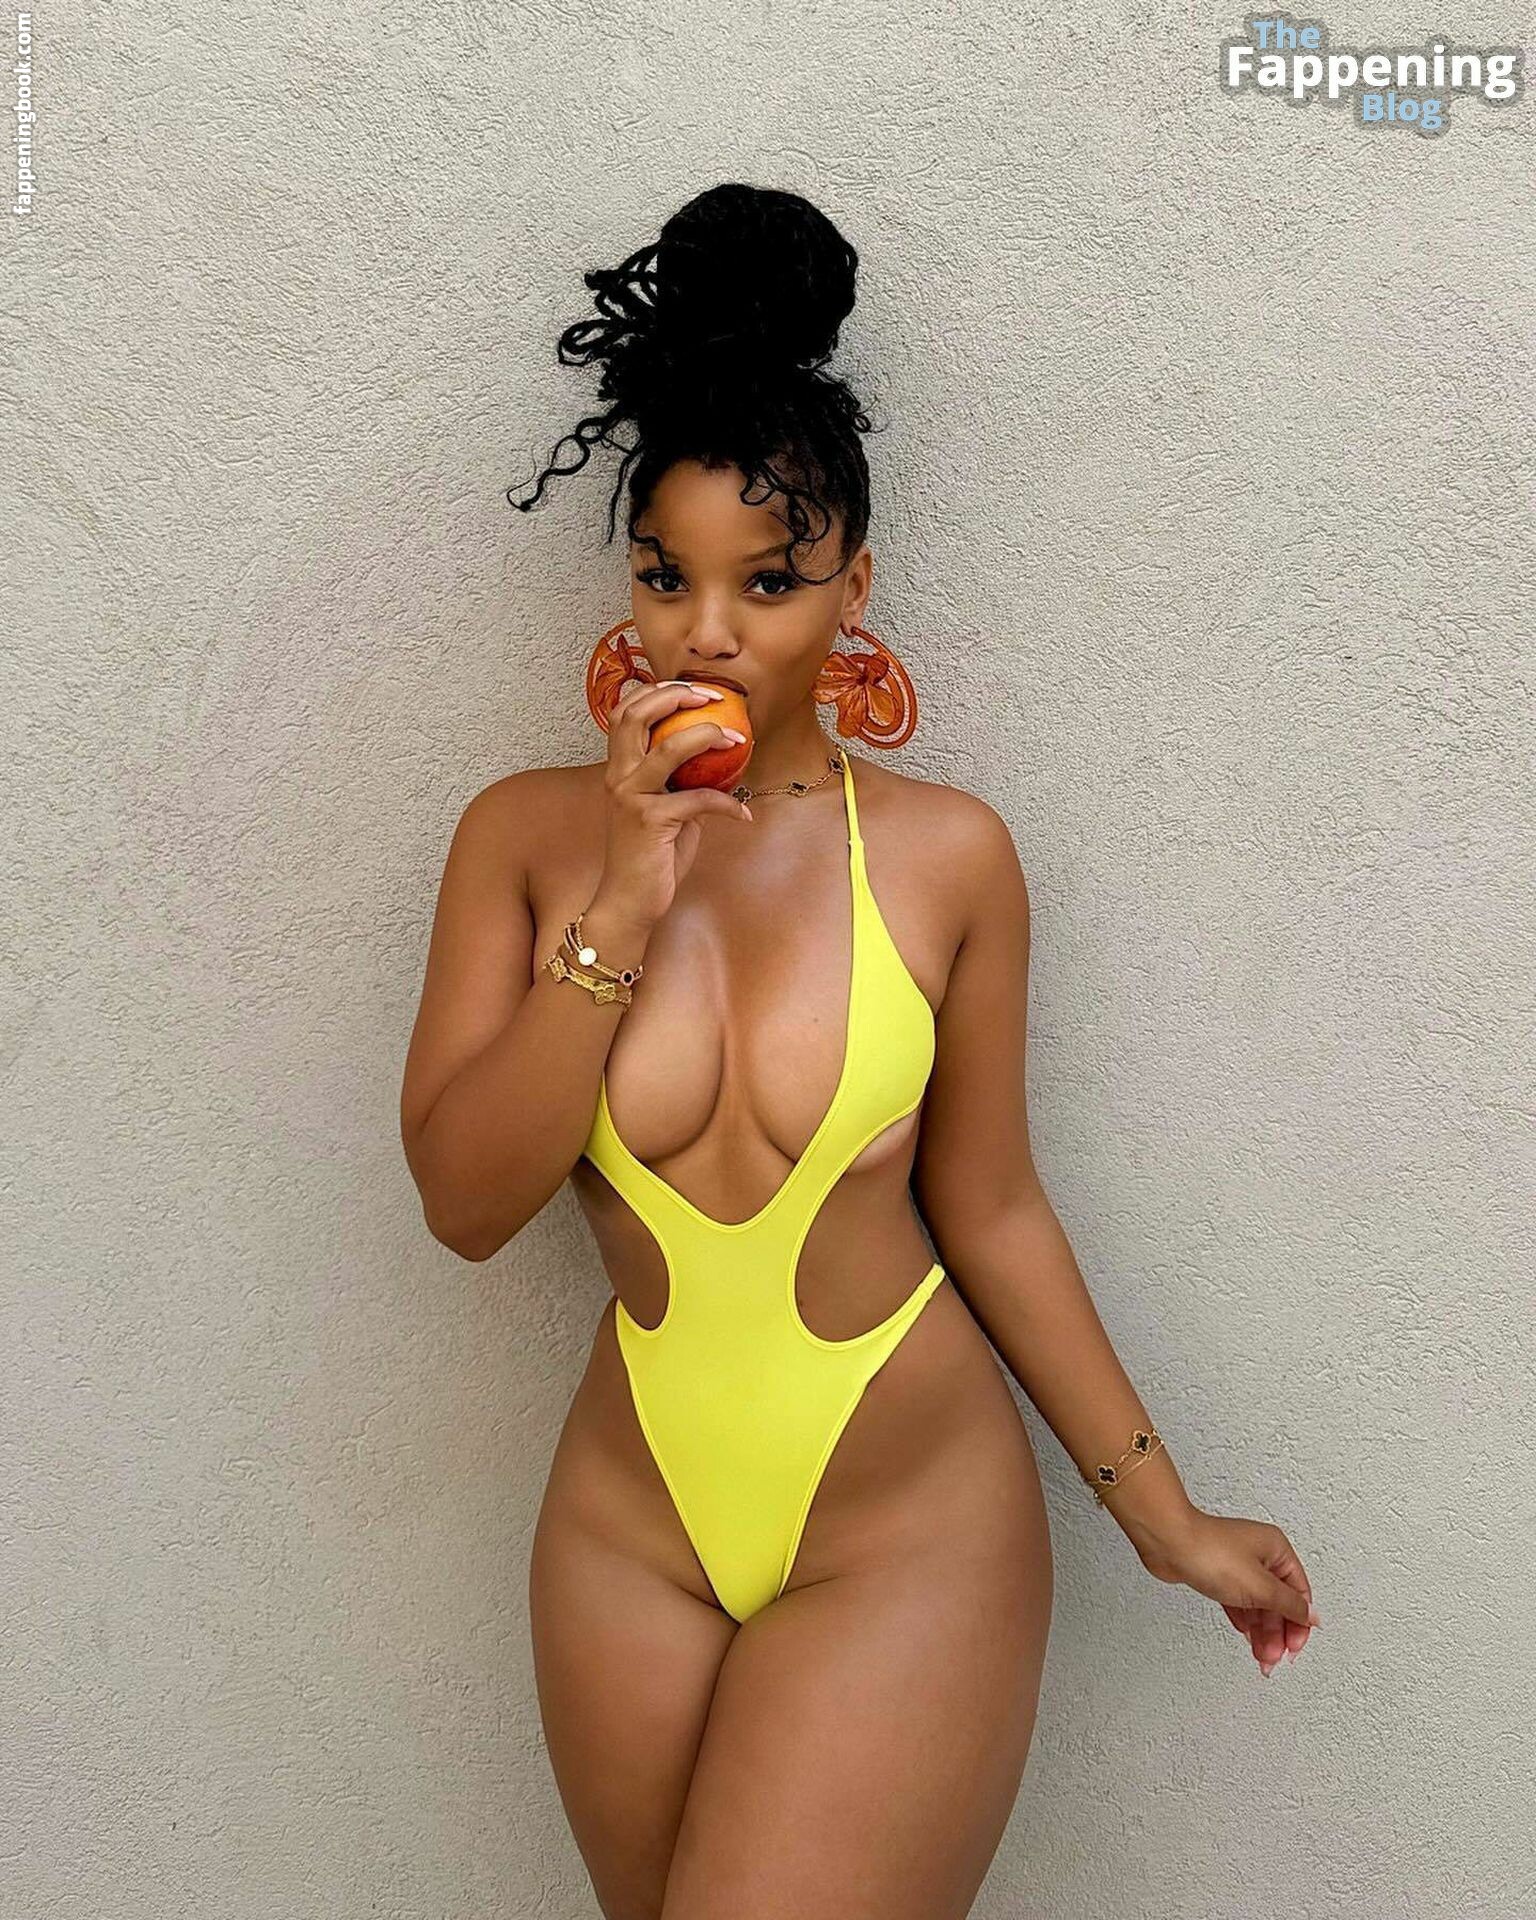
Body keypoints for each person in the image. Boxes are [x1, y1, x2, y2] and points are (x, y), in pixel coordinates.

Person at [400, 182, 1319, 1920]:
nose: (707, 629)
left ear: (854, 587)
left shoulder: (950, 857)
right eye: (666, 575)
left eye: (770, 581)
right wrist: (625, 895)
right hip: (629, 1532)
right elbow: (464, 1203)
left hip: (907, 1524)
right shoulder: (522, 842)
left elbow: (996, 1209)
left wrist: (1167, 1519)